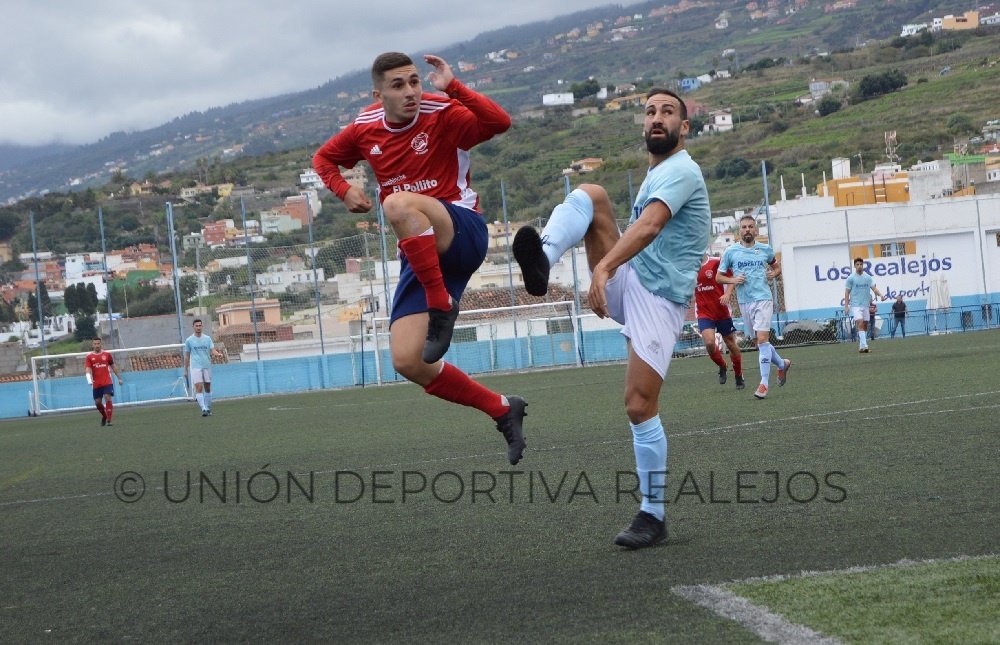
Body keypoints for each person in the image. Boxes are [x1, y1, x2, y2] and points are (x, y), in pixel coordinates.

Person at [512, 88, 710, 549]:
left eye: (667, 112)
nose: (656, 118)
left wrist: (603, 268)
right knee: (592, 194)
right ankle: (542, 259)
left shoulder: (683, 170)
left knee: (639, 405)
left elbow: (650, 225)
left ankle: (653, 515)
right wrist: (610, 267)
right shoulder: (656, 172)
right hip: (633, 278)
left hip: (659, 298)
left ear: (684, 127)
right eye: (650, 112)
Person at [312, 52, 527, 465]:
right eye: (398, 85)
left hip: (461, 230)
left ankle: (441, 304)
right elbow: (323, 159)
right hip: (420, 251)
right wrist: (343, 189)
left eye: (415, 81)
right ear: (378, 95)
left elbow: (499, 122)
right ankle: (502, 408)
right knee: (407, 360)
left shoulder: (441, 111)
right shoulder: (364, 127)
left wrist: (454, 87)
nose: (411, 91)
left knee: (395, 203)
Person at [717, 216, 791, 400]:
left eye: (750, 226)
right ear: (739, 231)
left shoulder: (765, 249)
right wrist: (734, 280)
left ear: (756, 230)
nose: (747, 229)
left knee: (763, 339)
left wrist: (773, 273)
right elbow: (719, 277)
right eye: (744, 227)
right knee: (758, 343)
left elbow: (777, 268)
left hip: (763, 298)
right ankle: (782, 364)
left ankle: (764, 384)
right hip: (745, 302)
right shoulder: (731, 252)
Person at [695, 253, 744, 389]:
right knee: (710, 343)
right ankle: (722, 365)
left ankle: (738, 375)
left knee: (731, 344)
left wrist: (727, 294)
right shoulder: (688, 267)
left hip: (722, 310)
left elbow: (732, 278)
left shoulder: (716, 262)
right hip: (704, 312)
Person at [843, 258, 884, 353]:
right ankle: (865, 346)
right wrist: (846, 306)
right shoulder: (851, 278)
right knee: (860, 323)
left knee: (865, 325)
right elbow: (847, 292)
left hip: (866, 305)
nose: (859, 266)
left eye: (861, 264)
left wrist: (881, 295)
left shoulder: (868, 277)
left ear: (863, 265)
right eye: (857, 264)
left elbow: (874, 288)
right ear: (854, 266)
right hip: (856, 305)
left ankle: (861, 347)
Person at [184, 319, 224, 417]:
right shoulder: (189, 340)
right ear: (193, 327)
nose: (198, 327)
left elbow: (212, 350)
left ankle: (207, 408)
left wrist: (218, 354)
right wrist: (185, 369)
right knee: (199, 387)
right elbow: (187, 356)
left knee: (207, 387)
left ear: (202, 326)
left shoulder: (207, 338)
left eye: (200, 325)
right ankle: (204, 409)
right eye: (196, 326)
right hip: (195, 367)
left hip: (206, 365)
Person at [85, 337, 123, 427]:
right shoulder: (89, 357)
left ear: (101, 344)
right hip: (96, 383)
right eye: (95, 344)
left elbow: (113, 366)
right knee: (98, 403)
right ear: (92, 345)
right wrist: (89, 378)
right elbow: (88, 369)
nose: (97, 345)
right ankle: (104, 416)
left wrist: (119, 378)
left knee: (107, 397)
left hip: (107, 382)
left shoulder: (107, 354)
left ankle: (109, 420)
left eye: (98, 343)